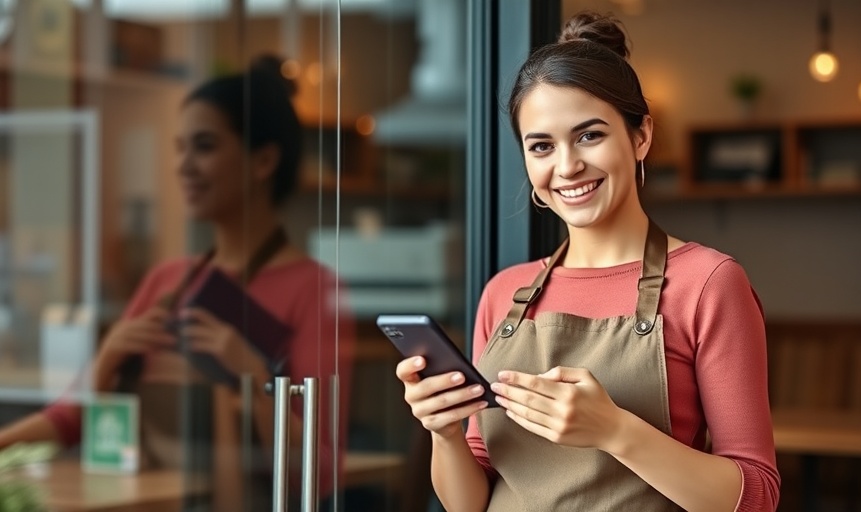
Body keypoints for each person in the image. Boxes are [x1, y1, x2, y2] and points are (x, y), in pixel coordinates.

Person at [396, 11, 779, 512]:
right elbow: (470, 503)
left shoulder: (708, 283)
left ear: (640, 136)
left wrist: (616, 431)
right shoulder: (505, 294)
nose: (567, 166)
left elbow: (757, 496)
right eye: (541, 146)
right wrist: (443, 432)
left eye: (589, 135)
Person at [0, 56, 354, 509]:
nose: (183, 166)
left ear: (264, 160)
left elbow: (322, 470)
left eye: (204, 146)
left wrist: (254, 375)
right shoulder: (169, 280)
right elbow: (71, 418)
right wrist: (108, 358)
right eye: (179, 148)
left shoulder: (316, 289)